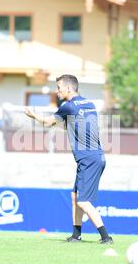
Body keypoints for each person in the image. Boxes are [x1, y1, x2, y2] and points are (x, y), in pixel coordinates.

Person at [25, 74, 113, 244]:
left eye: (59, 87)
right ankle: (76, 235)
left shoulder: (68, 106)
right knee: (75, 196)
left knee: (84, 202)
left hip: (88, 159)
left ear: (68, 88)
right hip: (95, 156)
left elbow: (48, 122)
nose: (57, 91)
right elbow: (74, 125)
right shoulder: (88, 104)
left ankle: (106, 237)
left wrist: (33, 115)